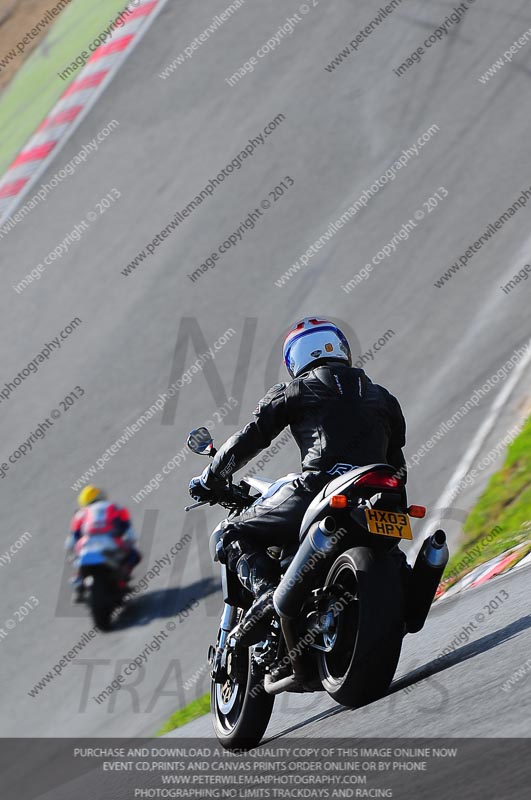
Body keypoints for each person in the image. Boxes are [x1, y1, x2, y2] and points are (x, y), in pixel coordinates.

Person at [189, 317, 407, 644]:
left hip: (319, 488)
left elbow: (251, 437)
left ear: (294, 360)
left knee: (231, 532)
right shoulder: (383, 397)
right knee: (398, 557)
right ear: (343, 350)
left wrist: (211, 477)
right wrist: (397, 511)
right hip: (377, 496)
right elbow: (397, 464)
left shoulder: (297, 389)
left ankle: (266, 594)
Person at [66, 485, 141, 602]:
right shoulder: (117, 508)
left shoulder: (80, 514)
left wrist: (73, 554)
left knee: (76, 558)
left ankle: (78, 582)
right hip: (110, 542)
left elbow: (71, 541)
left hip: (86, 544)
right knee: (134, 555)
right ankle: (123, 579)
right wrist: (129, 541)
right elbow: (129, 532)